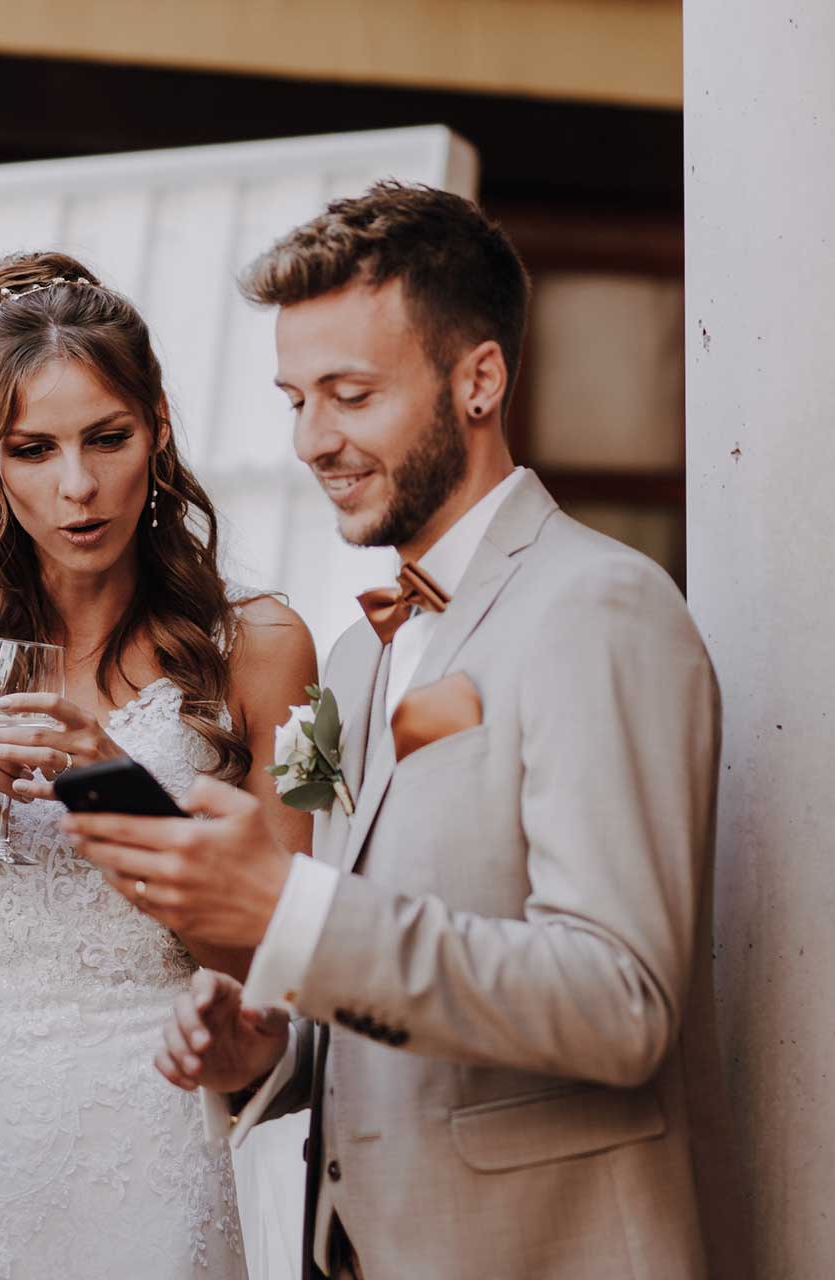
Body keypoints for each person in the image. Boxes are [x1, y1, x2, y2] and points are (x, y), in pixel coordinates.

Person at [68, 183, 742, 1279]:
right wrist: (263, 1045)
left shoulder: (600, 608)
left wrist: (296, 915)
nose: (310, 439)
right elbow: (354, 932)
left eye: (350, 394)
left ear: (478, 380)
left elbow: (623, 1000)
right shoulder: (352, 659)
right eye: (295, 398)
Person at [0, 252, 318, 1279]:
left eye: (108, 438)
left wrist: (117, 789)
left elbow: (278, 950)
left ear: (161, 425)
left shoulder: (264, 646)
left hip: (144, 1129)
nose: (78, 486)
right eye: (34, 449)